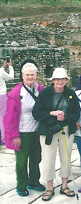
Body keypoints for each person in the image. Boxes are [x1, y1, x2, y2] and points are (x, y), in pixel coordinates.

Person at [32, 68, 81, 201]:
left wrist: (65, 117)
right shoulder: (45, 93)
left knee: (66, 158)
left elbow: (76, 113)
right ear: (53, 80)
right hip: (48, 130)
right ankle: (49, 187)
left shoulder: (70, 93)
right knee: (48, 159)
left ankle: (64, 185)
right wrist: (51, 113)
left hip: (65, 129)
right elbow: (36, 113)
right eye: (57, 79)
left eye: (63, 79)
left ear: (66, 80)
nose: (60, 81)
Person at [4, 62, 45, 196]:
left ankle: (34, 181)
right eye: (27, 75)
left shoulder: (40, 89)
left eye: (32, 75)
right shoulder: (16, 92)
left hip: (37, 131)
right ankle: (21, 185)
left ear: (36, 75)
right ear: (22, 76)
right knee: (21, 161)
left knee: (36, 158)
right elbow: (9, 117)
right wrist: (14, 135)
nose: (30, 77)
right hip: (22, 132)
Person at [0, 57, 14, 144]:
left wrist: (3, 67)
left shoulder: (1, 71)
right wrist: (10, 67)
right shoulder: (0, 72)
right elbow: (11, 77)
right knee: (2, 117)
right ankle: (4, 139)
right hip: (1, 95)